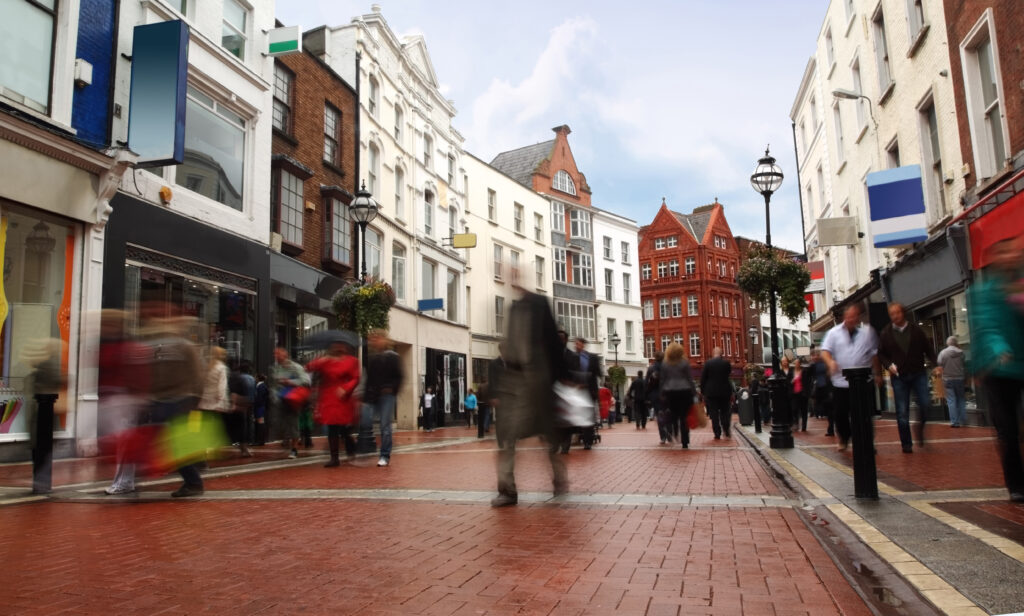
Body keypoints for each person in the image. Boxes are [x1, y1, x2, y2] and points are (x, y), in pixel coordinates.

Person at [491, 264, 568, 507]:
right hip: (515, 383)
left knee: (548, 435)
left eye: (515, 274)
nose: (511, 278)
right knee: (507, 435)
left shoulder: (540, 303)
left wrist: (562, 378)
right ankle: (507, 490)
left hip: (539, 380)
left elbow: (554, 344)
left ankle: (559, 478)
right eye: (509, 275)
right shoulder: (513, 308)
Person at [968, 238, 1024, 502]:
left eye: (1015, 253)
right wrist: (1000, 348)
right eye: (1006, 253)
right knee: (1008, 430)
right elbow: (989, 326)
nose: (1012, 257)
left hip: (1020, 365)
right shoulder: (984, 292)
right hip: (997, 368)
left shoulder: (1019, 285)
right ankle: (1016, 485)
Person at [98, 310, 149, 495]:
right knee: (118, 443)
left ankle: (124, 482)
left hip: (124, 400)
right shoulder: (108, 345)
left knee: (123, 443)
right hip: (110, 398)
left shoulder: (128, 347)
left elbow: (138, 374)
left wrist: (139, 397)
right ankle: (124, 480)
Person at [878, 302, 938, 453]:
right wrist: (888, 365)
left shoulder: (915, 330)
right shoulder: (886, 333)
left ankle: (919, 427)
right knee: (902, 411)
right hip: (899, 376)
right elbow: (881, 354)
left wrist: (936, 363)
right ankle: (906, 443)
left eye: (897, 313)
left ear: (902, 313)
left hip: (918, 372)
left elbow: (928, 348)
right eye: (892, 314)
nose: (895, 316)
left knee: (925, 403)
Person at [820, 303, 881, 451]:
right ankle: (844, 438)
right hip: (841, 382)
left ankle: (867, 442)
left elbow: (874, 355)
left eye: (854, 316)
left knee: (864, 414)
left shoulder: (867, 333)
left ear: (858, 317)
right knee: (840, 415)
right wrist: (830, 362)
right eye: (848, 316)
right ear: (844, 317)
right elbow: (825, 351)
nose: (851, 319)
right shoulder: (834, 333)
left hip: (863, 381)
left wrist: (878, 373)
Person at [306, 335, 361, 467]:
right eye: (335, 345)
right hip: (328, 397)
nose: (338, 347)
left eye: (340, 345)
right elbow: (309, 367)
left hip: (343, 398)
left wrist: (346, 388)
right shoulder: (325, 361)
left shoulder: (352, 361)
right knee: (332, 428)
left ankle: (351, 451)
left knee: (344, 429)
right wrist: (322, 359)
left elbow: (356, 378)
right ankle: (334, 458)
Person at [25, 339, 64, 495]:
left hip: (44, 411)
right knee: (41, 448)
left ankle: (41, 481)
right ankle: (41, 481)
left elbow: (54, 382)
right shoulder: (50, 364)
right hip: (42, 410)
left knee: (41, 448)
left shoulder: (49, 365)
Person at [365, 329, 403, 466]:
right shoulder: (374, 358)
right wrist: (367, 397)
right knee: (365, 420)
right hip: (374, 396)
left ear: (384, 339)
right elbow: (370, 380)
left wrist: (392, 389)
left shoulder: (393, 356)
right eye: (372, 339)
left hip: (387, 396)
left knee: (385, 426)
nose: (374, 341)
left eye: (377, 338)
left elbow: (399, 376)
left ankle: (385, 455)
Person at [271, 347, 310, 459]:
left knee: (293, 423)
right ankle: (286, 441)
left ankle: (294, 449)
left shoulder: (295, 367)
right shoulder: (276, 368)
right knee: (280, 423)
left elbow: (305, 380)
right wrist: (274, 395)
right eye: (275, 354)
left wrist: (289, 382)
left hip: (293, 399)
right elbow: (274, 385)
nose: (276, 356)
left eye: (278, 354)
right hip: (281, 399)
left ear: (285, 355)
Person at [566, 337, 602, 450]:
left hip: (590, 391)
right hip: (576, 391)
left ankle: (588, 442)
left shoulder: (593, 358)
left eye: (578, 344)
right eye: (575, 344)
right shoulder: (571, 357)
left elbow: (599, 373)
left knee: (588, 417)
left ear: (583, 345)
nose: (576, 346)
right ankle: (573, 439)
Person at [661, 342, 697, 449]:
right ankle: (685, 441)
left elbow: (663, 380)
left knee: (673, 415)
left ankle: (674, 431)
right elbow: (689, 379)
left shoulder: (665, 363)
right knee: (684, 417)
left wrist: (661, 393)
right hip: (685, 391)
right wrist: (694, 393)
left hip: (670, 392)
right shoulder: (684, 362)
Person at [700, 347, 733, 439]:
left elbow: (703, 378)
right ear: (721, 354)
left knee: (713, 413)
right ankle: (726, 429)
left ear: (713, 353)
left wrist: (703, 391)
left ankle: (717, 432)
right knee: (725, 411)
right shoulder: (726, 363)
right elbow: (729, 374)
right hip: (724, 391)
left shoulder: (708, 363)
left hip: (711, 392)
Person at [936, 336, 967, 428]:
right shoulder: (961, 353)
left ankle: (954, 422)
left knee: (951, 400)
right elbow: (964, 363)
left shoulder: (943, 353)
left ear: (947, 343)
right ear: (956, 343)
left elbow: (939, 363)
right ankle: (963, 420)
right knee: (961, 399)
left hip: (948, 379)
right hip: (960, 378)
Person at [227, 360, 255, 457]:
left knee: (239, 425)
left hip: (239, 404)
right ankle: (247, 444)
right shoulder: (251, 378)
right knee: (247, 424)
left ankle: (241, 445)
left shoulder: (237, 378)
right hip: (248, 403)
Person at [810, 350, 834, 435]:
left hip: (826, 389)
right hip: (818, 390)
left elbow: (830, 374)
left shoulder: (824, 364)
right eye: (813, 355)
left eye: (817, 355)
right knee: (824, 408)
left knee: (829, 410)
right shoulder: (812, 366)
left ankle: (831, 428)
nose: (815, 357)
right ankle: (830, 427)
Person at [646, 352, 668, 444]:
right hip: (666, 393)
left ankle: (663, 436)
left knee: (659, 415)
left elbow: (646, 382)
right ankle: (669, 430)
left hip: (655, 395)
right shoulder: (667, 367)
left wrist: (647, 395)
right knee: (668, 412)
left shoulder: (651, 368)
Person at [790, 357, 813, 432]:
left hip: (802, 394)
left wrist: (807, 392)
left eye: (797, 363)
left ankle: (804, 426)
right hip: (794, 394)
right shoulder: (792, 372)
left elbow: (808, 382)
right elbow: (789, 383)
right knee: (794, 409)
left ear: (800, 364)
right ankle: (796, 423)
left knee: (804, 410)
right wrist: (791, 382)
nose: (796, 364)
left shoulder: (804, 372)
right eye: (795, 363)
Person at [253, 374, 269, 446]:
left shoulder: (261, 386)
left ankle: (261, 440)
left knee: (260, 423)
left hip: (260, 407)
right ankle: (260, 440)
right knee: (260, 423)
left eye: (255, 377)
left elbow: (259, 398)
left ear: (257, 378)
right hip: (261, 407)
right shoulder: (261, 386)